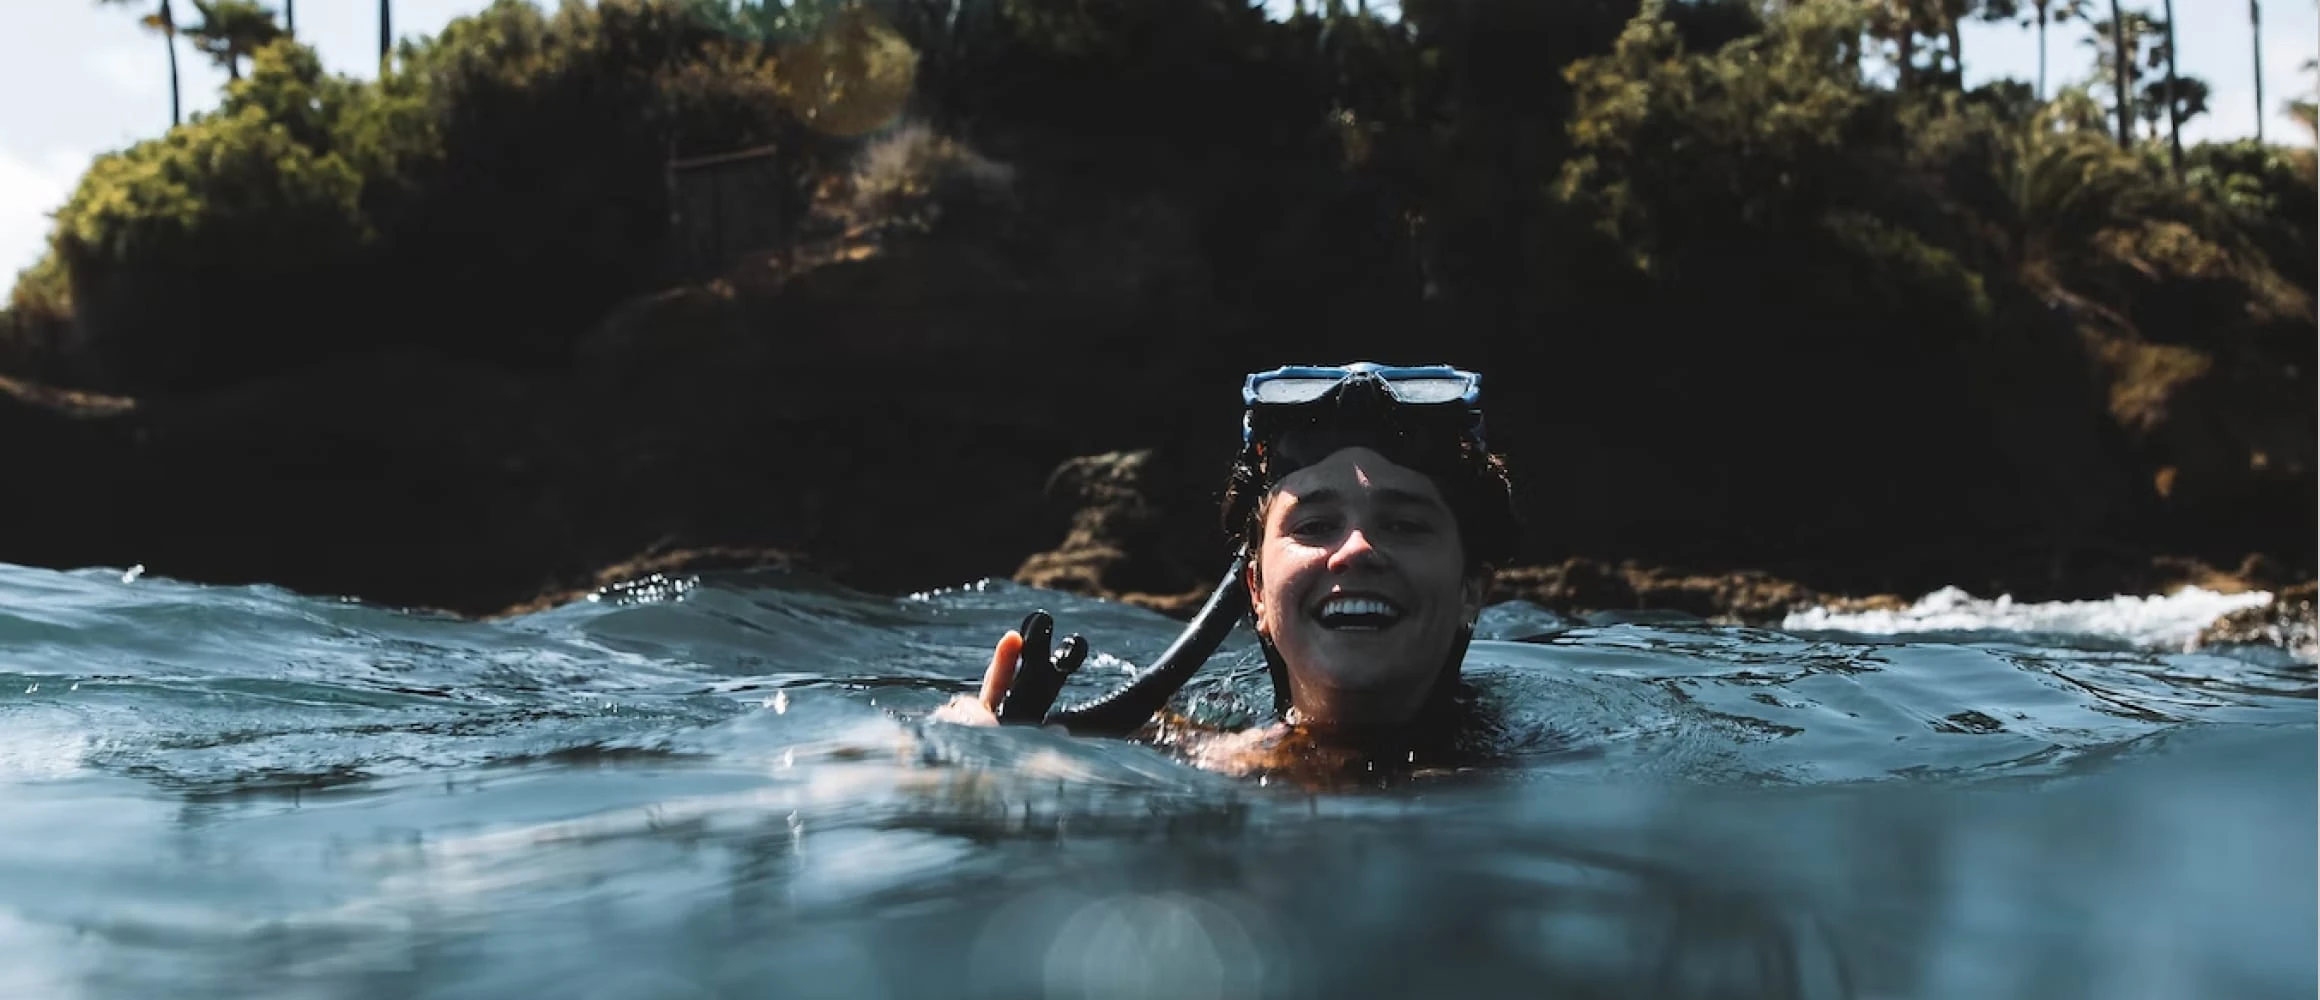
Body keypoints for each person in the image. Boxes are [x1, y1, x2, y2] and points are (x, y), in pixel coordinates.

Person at [935, 362, 1519, 760]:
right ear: (1256, 590)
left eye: (1405, 525)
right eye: (1314, 526)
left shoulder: (1561, 764)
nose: (1357, 550)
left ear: (1473, 587)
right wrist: (972, 755)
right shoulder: (1173, 754)